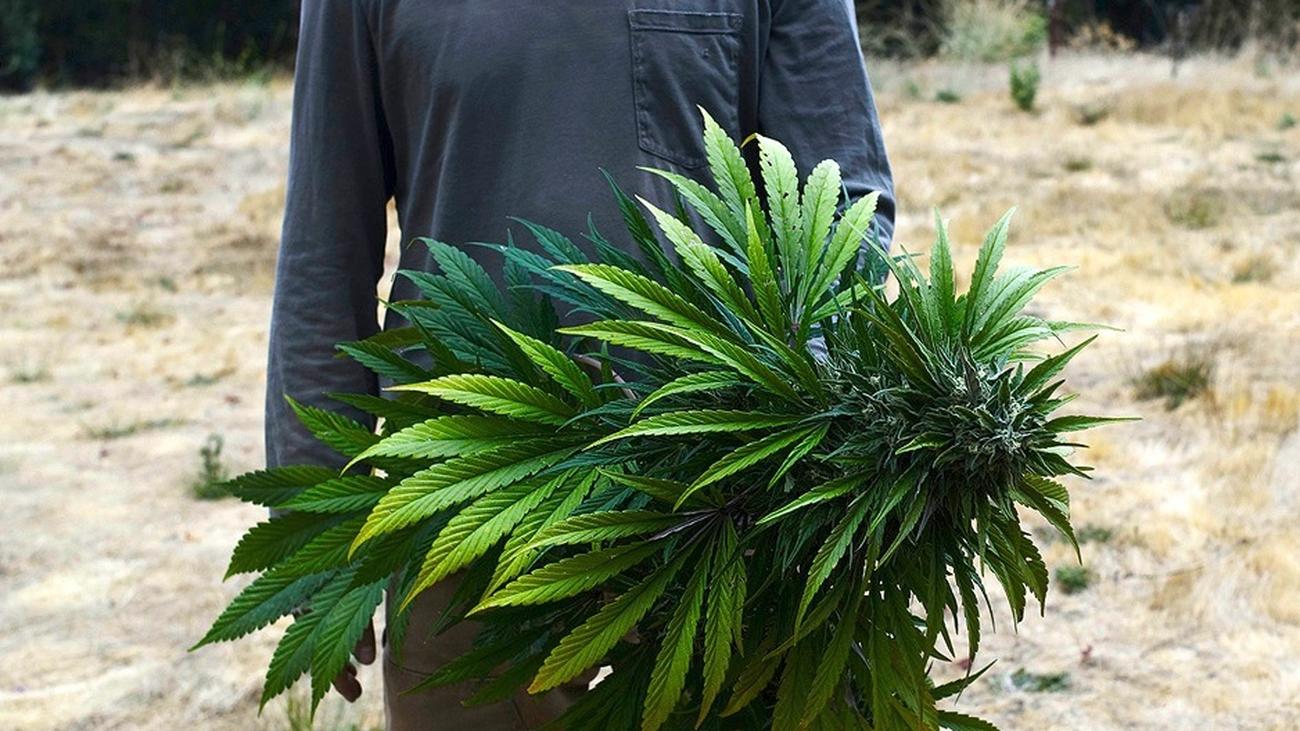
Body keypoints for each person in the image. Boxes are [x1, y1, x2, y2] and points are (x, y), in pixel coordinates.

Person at [266, 1, 894, 728]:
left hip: (718, 496)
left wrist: (798, 400)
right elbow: (325, 246)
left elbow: (844, 203)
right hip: (463, 492)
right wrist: (311, 520)